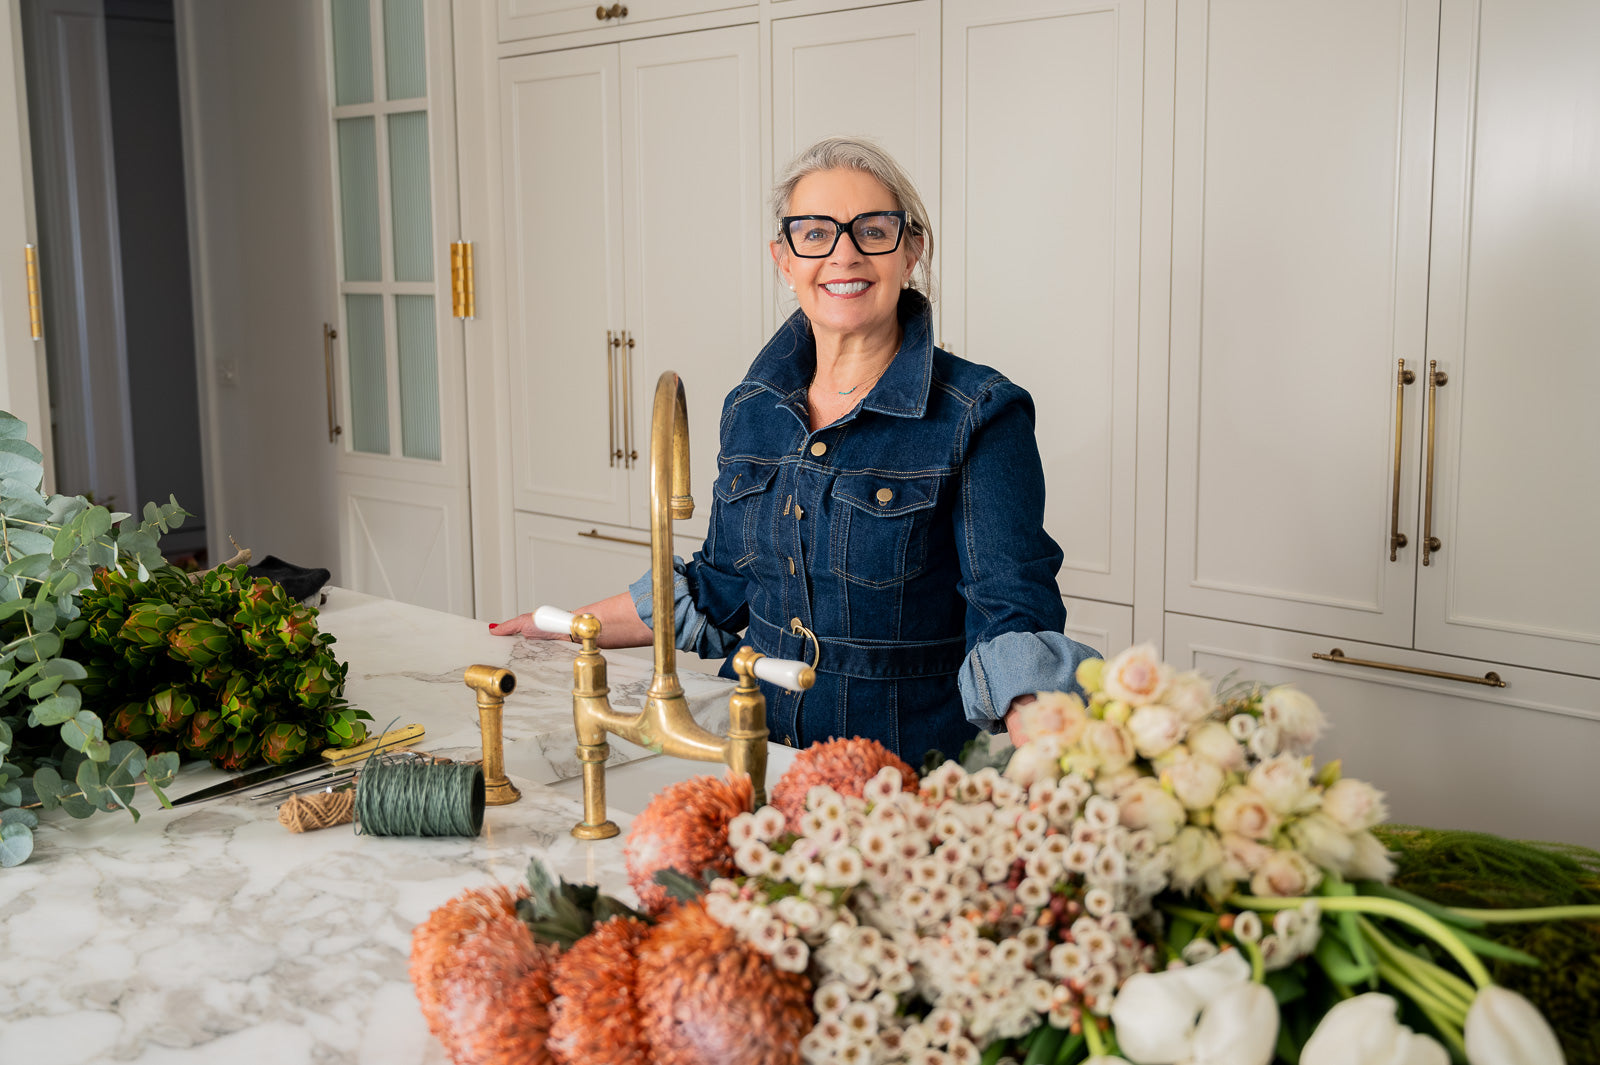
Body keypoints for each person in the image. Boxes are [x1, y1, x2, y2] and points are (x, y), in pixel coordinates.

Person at [494, 136, 1099, 762]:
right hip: (757, 754)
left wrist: (1047, 758)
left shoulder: (979, 412)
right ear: (784, 258)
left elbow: (1009, 611)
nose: (844, 254)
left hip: (904, 778)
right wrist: (562, 627)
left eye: (873, 230)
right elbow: (720, 587)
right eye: (815, 234)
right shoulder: (754, 408)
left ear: (911, 250)